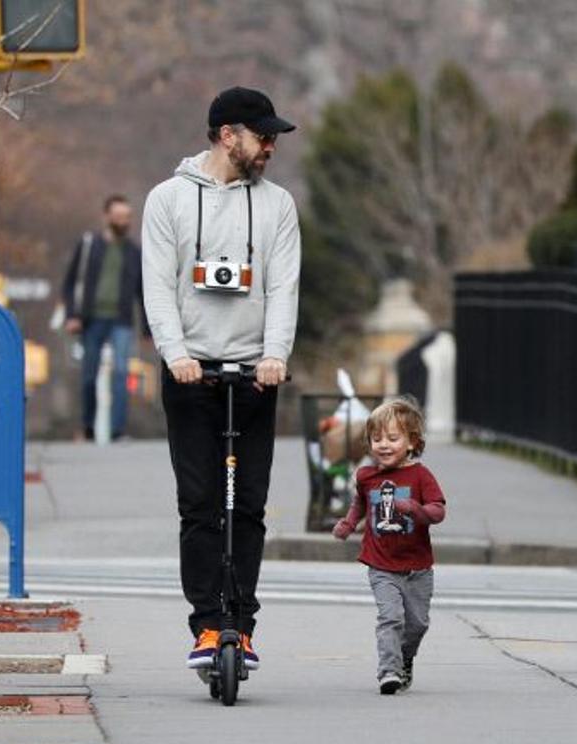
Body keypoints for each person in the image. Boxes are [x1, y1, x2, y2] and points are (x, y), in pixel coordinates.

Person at [141, 86, 301, 671]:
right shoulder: (168, 200)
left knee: (249, 505)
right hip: (191, 374)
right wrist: (175, 353)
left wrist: (275, 353)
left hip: (256, 373)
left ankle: (244, 623)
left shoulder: (278, 204)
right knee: (200, 503)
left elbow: (284, 285)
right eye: (263, 137)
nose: (270, 149)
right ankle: (208, 624)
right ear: (228, 134)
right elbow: (158, 284)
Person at [332, 398, 446, 695]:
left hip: (418, 567)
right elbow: (360, 503)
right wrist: (348, 523)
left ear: (411, 442)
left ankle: (406, 657)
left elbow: (438, 511)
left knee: (417, 624)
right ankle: (389, 671)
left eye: (393, 438)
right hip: (381, 564)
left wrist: (414, 509)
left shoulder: (421, 475)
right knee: (391, 617)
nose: (383, 445)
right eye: (376, 438)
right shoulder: (367, 476)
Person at [60, 195, 145, 441]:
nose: (123, 221)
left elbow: (142, 291)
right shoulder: (89, 245)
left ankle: (118, 430)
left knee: (121, 374)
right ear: (106, 216)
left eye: (127, 217)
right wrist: (72, 316)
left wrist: (148, 329)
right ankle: (88, 427)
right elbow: (70, 283)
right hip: (91, 319)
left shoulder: (133, 251)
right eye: (118, 216)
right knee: (89, 374)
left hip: (121, 320)